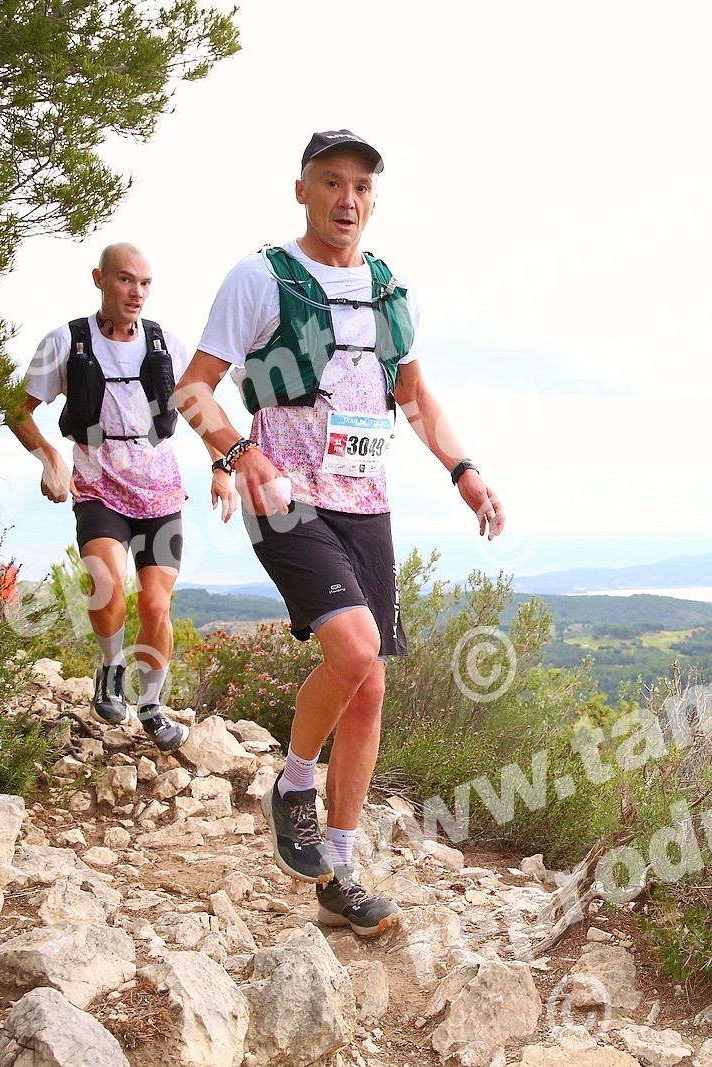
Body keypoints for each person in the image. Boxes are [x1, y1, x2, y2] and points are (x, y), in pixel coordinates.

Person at [174, 130, 505, 939]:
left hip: (367, 501)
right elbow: (194, 391)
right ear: (302, 190)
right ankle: (294, 783)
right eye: (331, 182)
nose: (346, 199)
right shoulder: (261, 277)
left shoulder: (391, 292)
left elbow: (415, 398)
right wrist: (243, 455)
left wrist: (463, 470)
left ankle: (342, 874)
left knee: (371, 686)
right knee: (355, 651)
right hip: (285, 495)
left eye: (360, 186)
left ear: (373, 199)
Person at [9, 243, 238, 753]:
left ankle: (152, 705)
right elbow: (17, 410)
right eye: (125, 280)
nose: (136, 292)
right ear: (100, 279)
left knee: (156, 606)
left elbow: (200, 408)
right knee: (107, 582)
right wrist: (49, 457)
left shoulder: (166, 344)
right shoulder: (65, 341)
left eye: (145, 283)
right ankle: (111, 667)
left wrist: (221, 467)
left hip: (160, 491)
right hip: (98, 484)